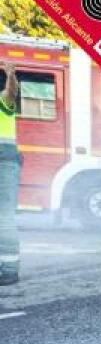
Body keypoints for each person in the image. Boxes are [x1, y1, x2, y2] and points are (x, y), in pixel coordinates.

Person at [0, 62, 20, 286]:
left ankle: (9, 270)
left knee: (4, 218)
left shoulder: (3, 102)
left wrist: (11, 75)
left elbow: (11, 93)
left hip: (4, 163)